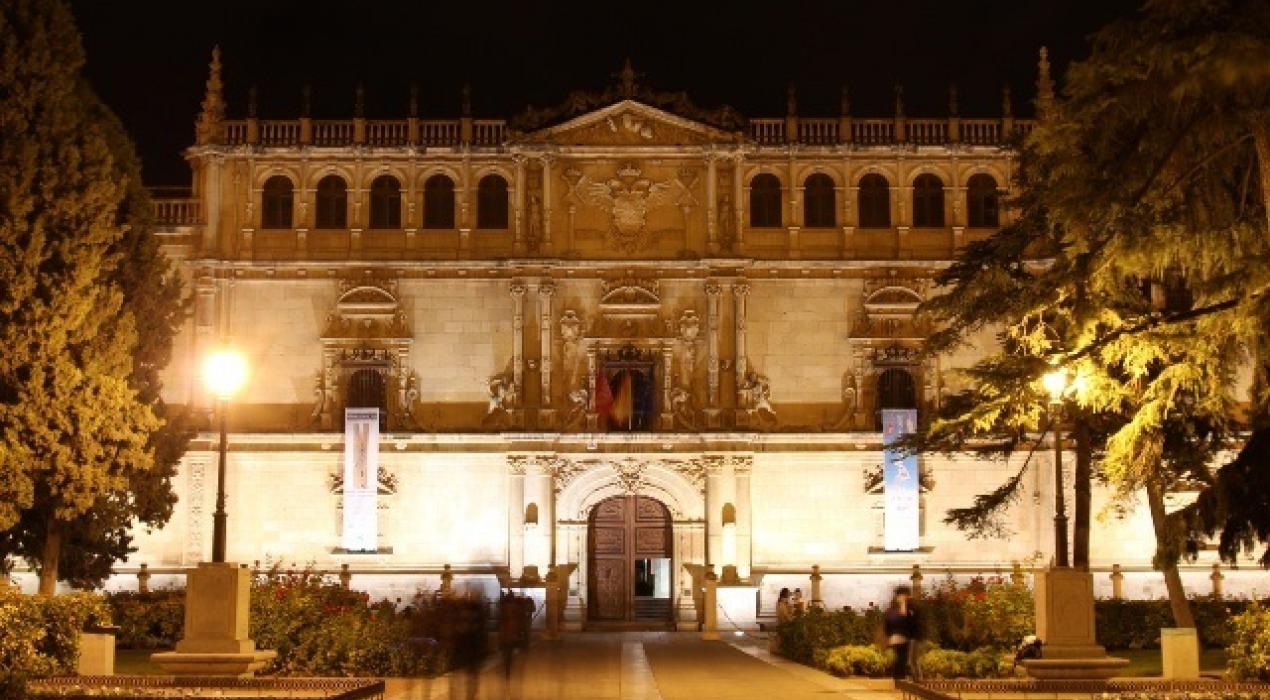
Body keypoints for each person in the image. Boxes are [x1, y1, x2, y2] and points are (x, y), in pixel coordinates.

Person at [883, 586, 921, 680]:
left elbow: (911, 620)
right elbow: (892, 622)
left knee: (906, 659)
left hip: (908, 637)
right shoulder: (896, 609)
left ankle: (906, 679)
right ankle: (901, 678)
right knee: (904, 659)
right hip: (901, 637)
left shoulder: (910, 607)